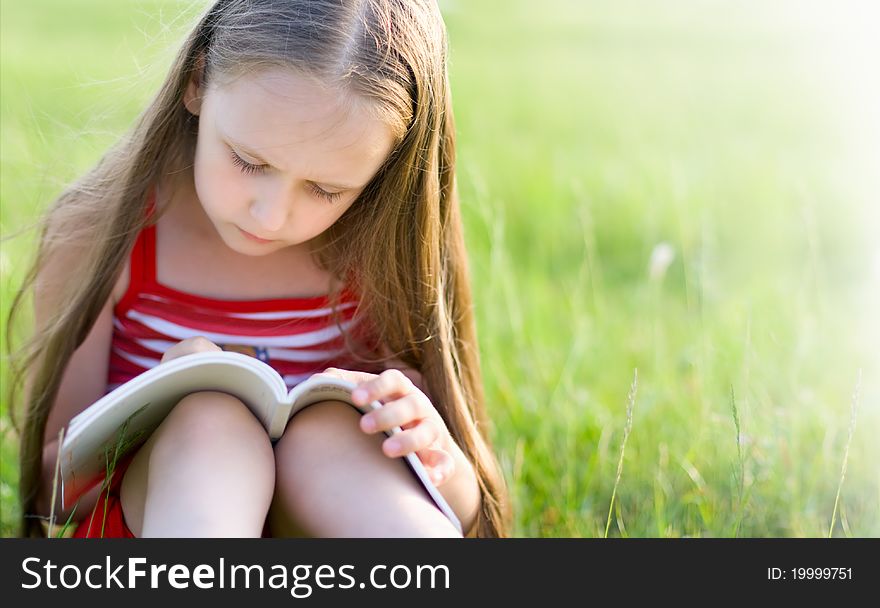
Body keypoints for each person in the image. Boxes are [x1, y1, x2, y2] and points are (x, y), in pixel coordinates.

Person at [5, 0, 510, 538]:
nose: (271, 215)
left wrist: (436, 455)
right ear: (198, 81)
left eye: (325, 189)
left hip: (329, 510)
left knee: (334, 437)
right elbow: (50, 492)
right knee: (211, 424)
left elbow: (468, 507)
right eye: (249, 162)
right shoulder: (100, 236)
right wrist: (160, 399)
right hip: (163, 519)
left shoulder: (378, 249)